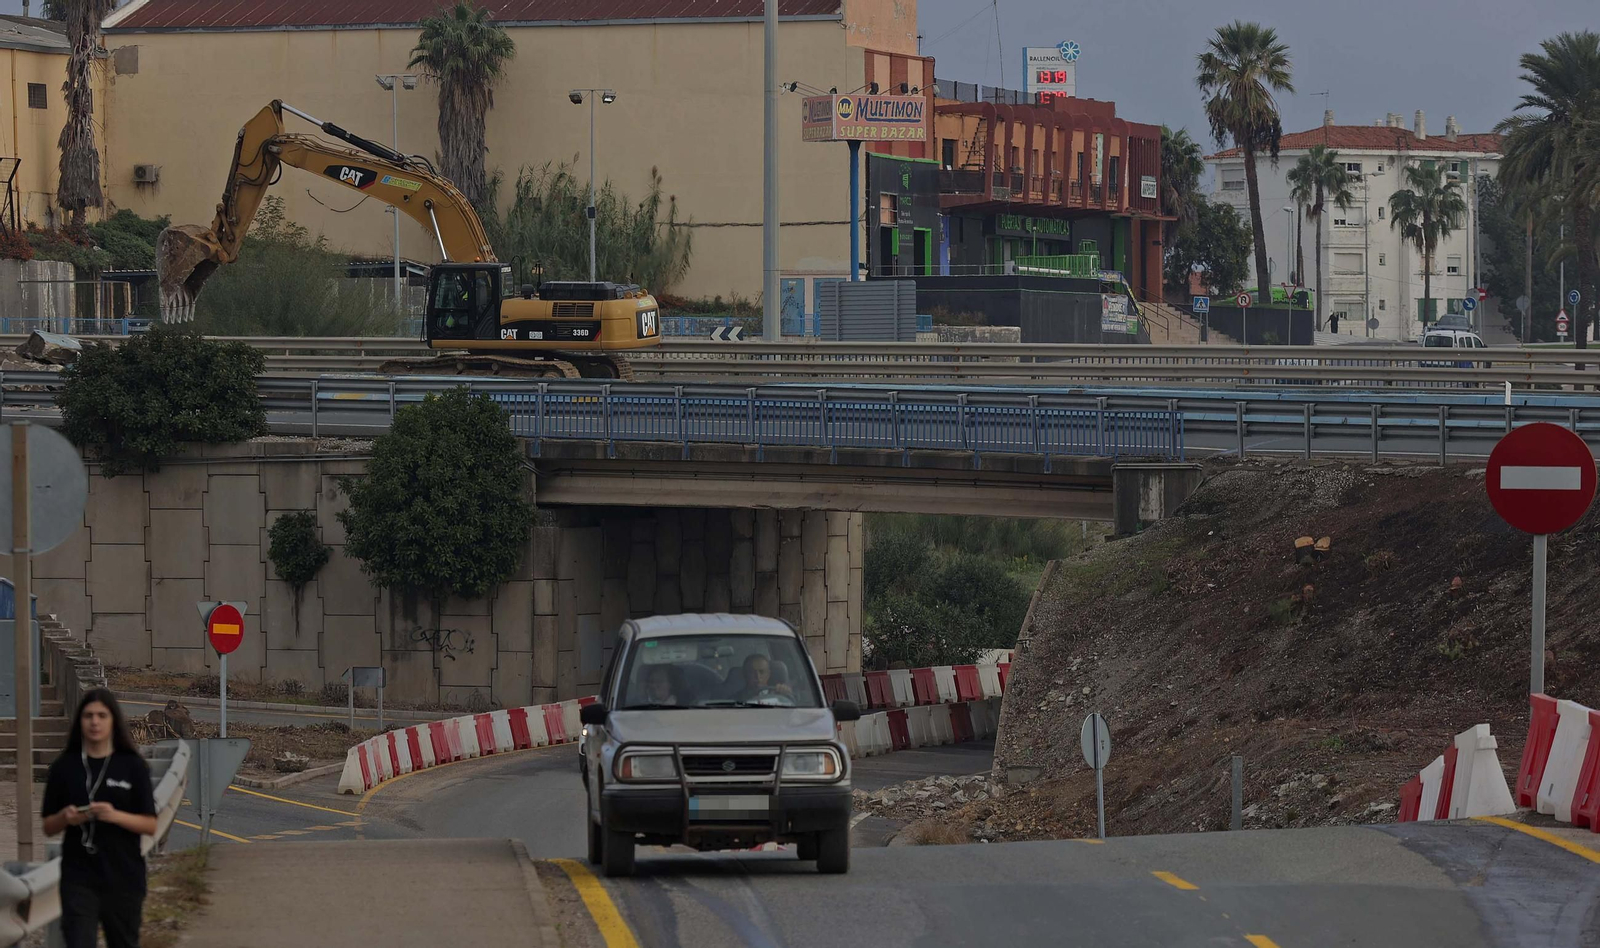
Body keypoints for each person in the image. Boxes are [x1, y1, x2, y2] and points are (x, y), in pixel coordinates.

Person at [43, 689, 158, 948]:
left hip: (123, 876)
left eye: (102, 716)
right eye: (88, 716)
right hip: (78, 878)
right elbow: (48, 826)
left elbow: (150, 824)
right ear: (80, 721)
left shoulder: (132, 766)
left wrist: (114, 816)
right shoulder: (64, 767)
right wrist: (65, 817)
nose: (95, 722)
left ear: (113, 720)